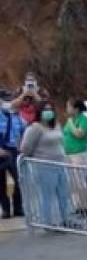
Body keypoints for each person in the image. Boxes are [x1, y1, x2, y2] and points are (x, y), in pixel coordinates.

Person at [19, 100, 69, 227]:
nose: (48, 112)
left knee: (64, 194)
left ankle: (66, 219)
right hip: (44, 167)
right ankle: (48, 222)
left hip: (61, 164)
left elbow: (61, 143)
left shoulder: (56, 125)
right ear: (39, 111)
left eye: (50, 109)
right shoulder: (35, 128)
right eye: (45, 109)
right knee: (47, 195)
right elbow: (25, 148)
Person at [63, 99, 87, 214]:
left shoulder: (83, 120)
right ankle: (77, 206)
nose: (67, 109)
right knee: (72, 182)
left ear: (76, 109)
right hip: (69, 153)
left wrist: (70, 123)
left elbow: (79, 134)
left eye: (68, 107)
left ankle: (86, 206)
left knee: (80, 180)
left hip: (79, 153)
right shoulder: (70, 120)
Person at [0, 90, 26, 218]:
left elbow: (24, 131)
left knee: (17, 180)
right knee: (1, 182)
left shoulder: (17, 116)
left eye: (9, 100)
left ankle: (18, 208)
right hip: (1, 151)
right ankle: (5, 210)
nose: (7, 102)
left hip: (14, 151)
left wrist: (22, 145)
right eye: (4, 100)